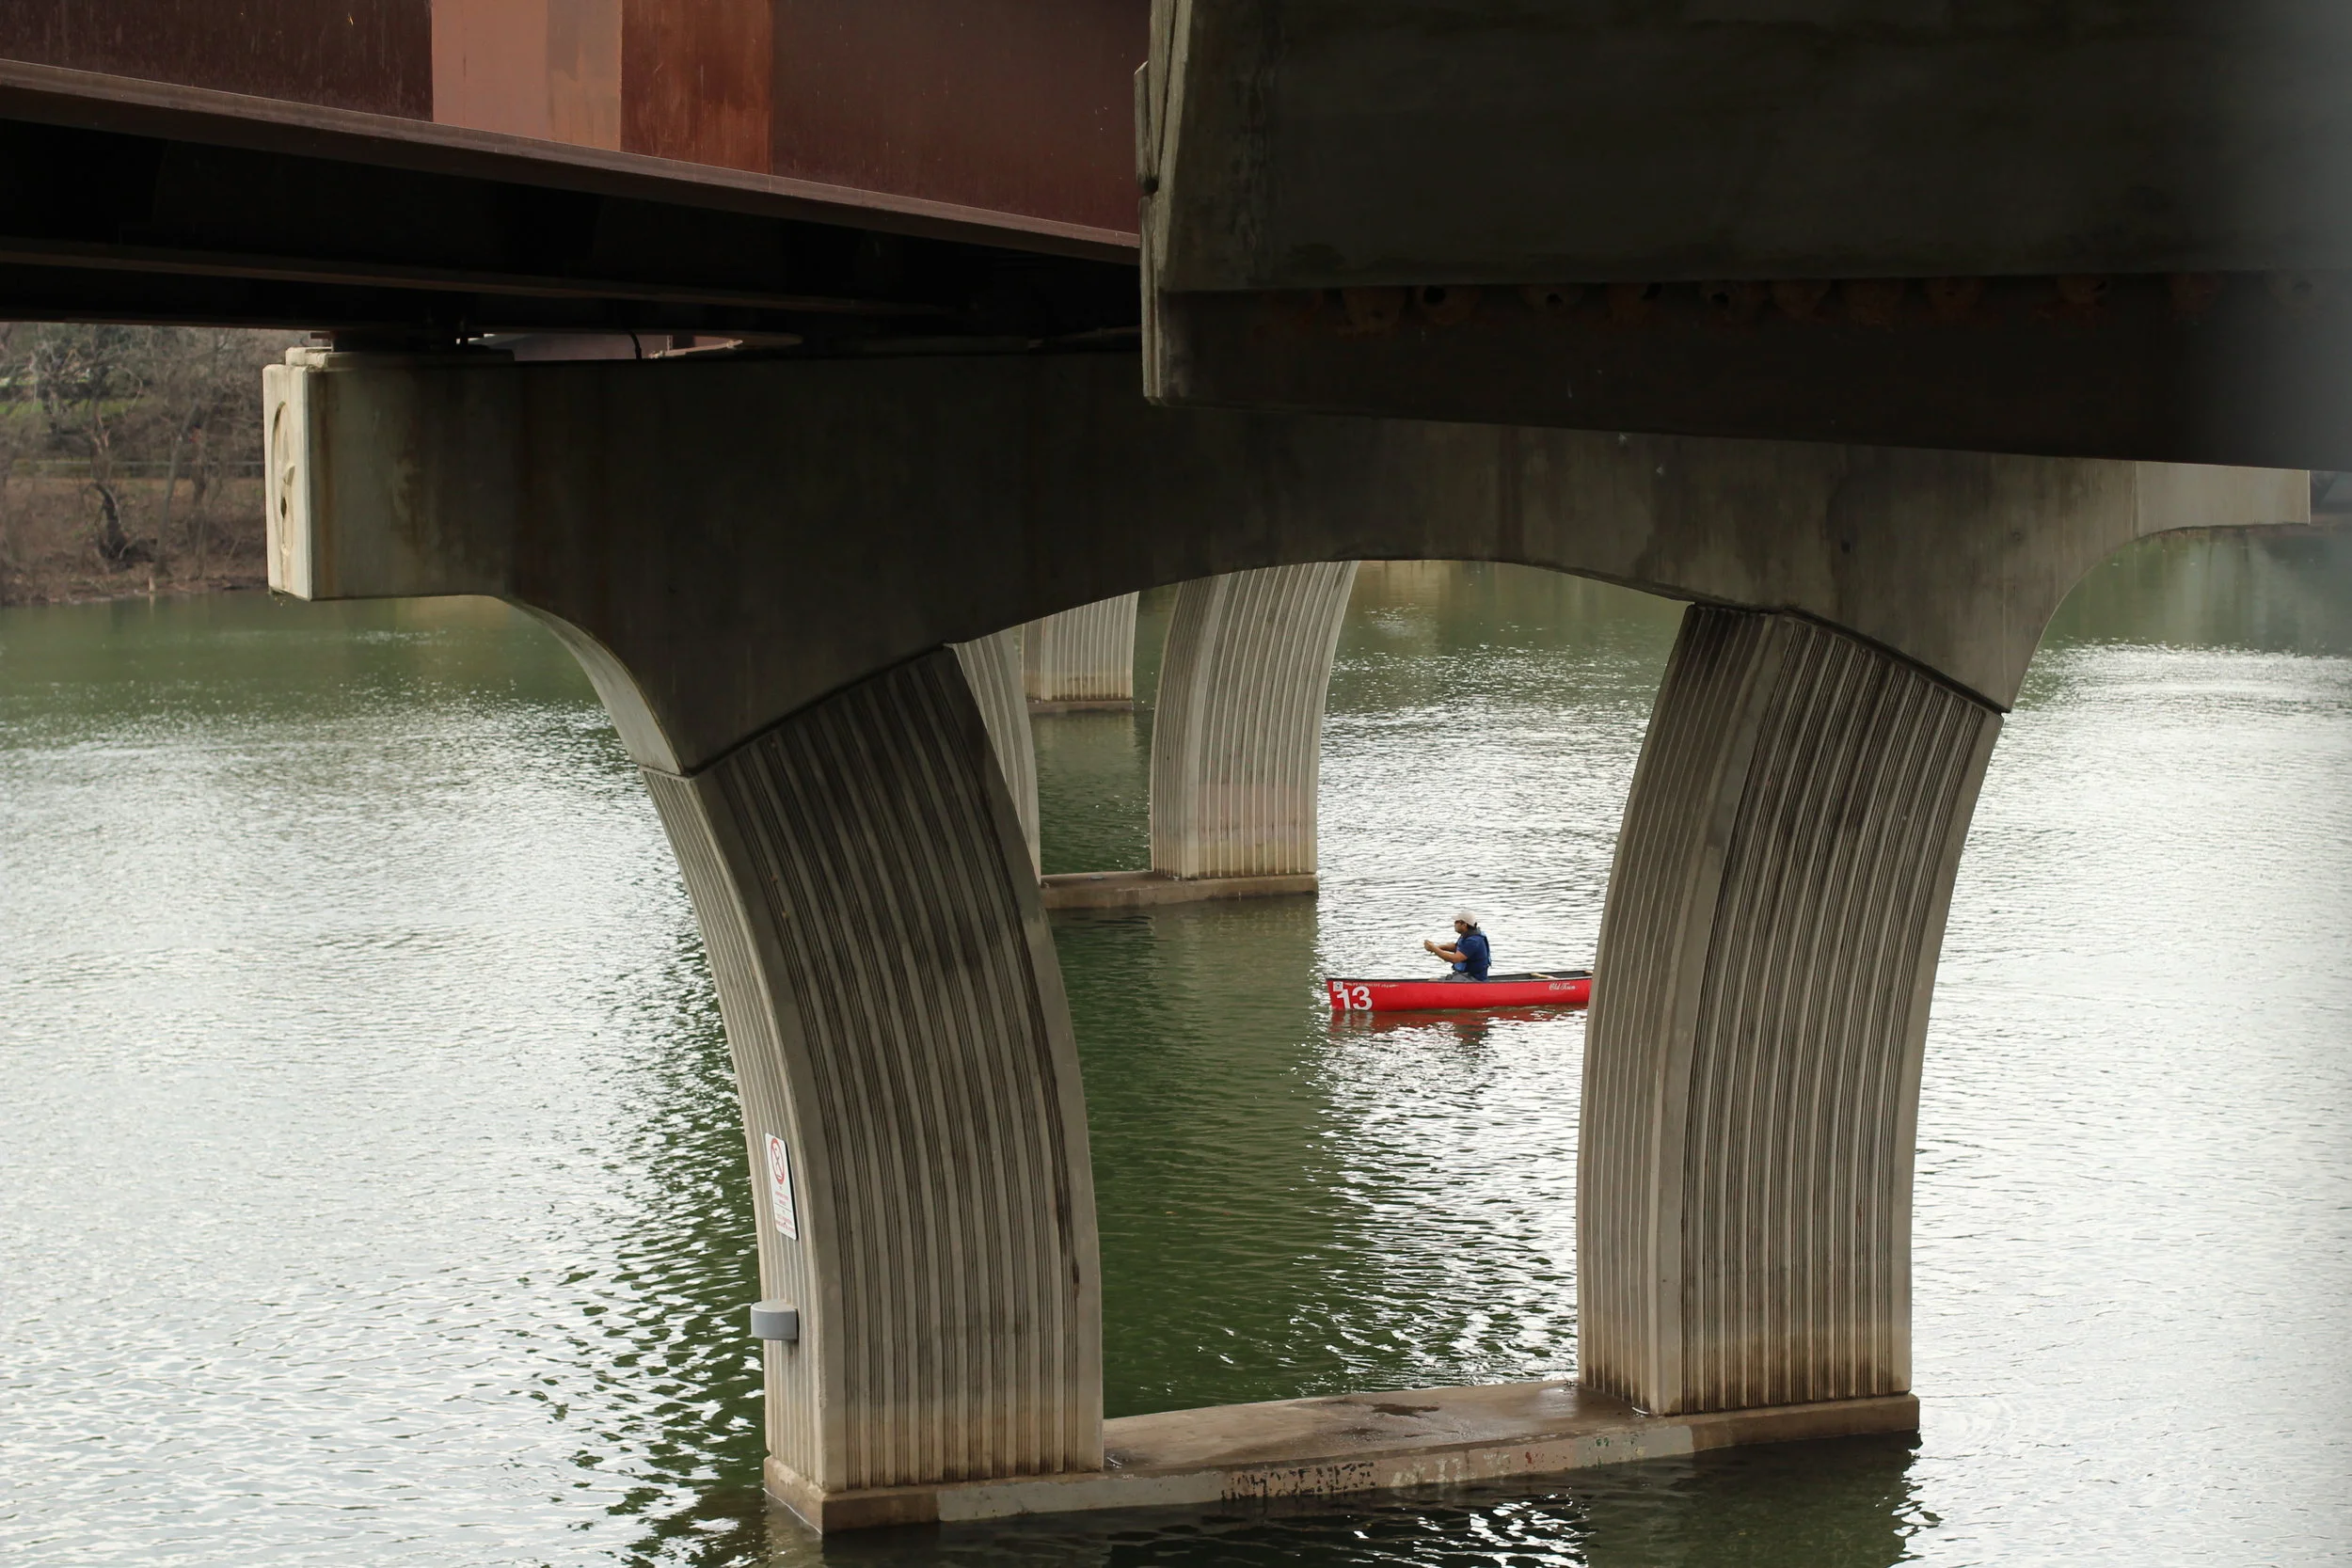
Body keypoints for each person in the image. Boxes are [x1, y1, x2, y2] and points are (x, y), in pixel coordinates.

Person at [1422, 910, 1491, 980]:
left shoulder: (1473, 941)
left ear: (1464, 925)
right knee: (1432, 980)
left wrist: (1434, 949)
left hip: (1473, 979)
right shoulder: (1468, 934)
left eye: (1456, 922)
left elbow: (1454, 959)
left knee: (1432, 981)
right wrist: (1438, 947)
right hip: (1464, 976)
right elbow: (1457, 947)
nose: (1454, 923)